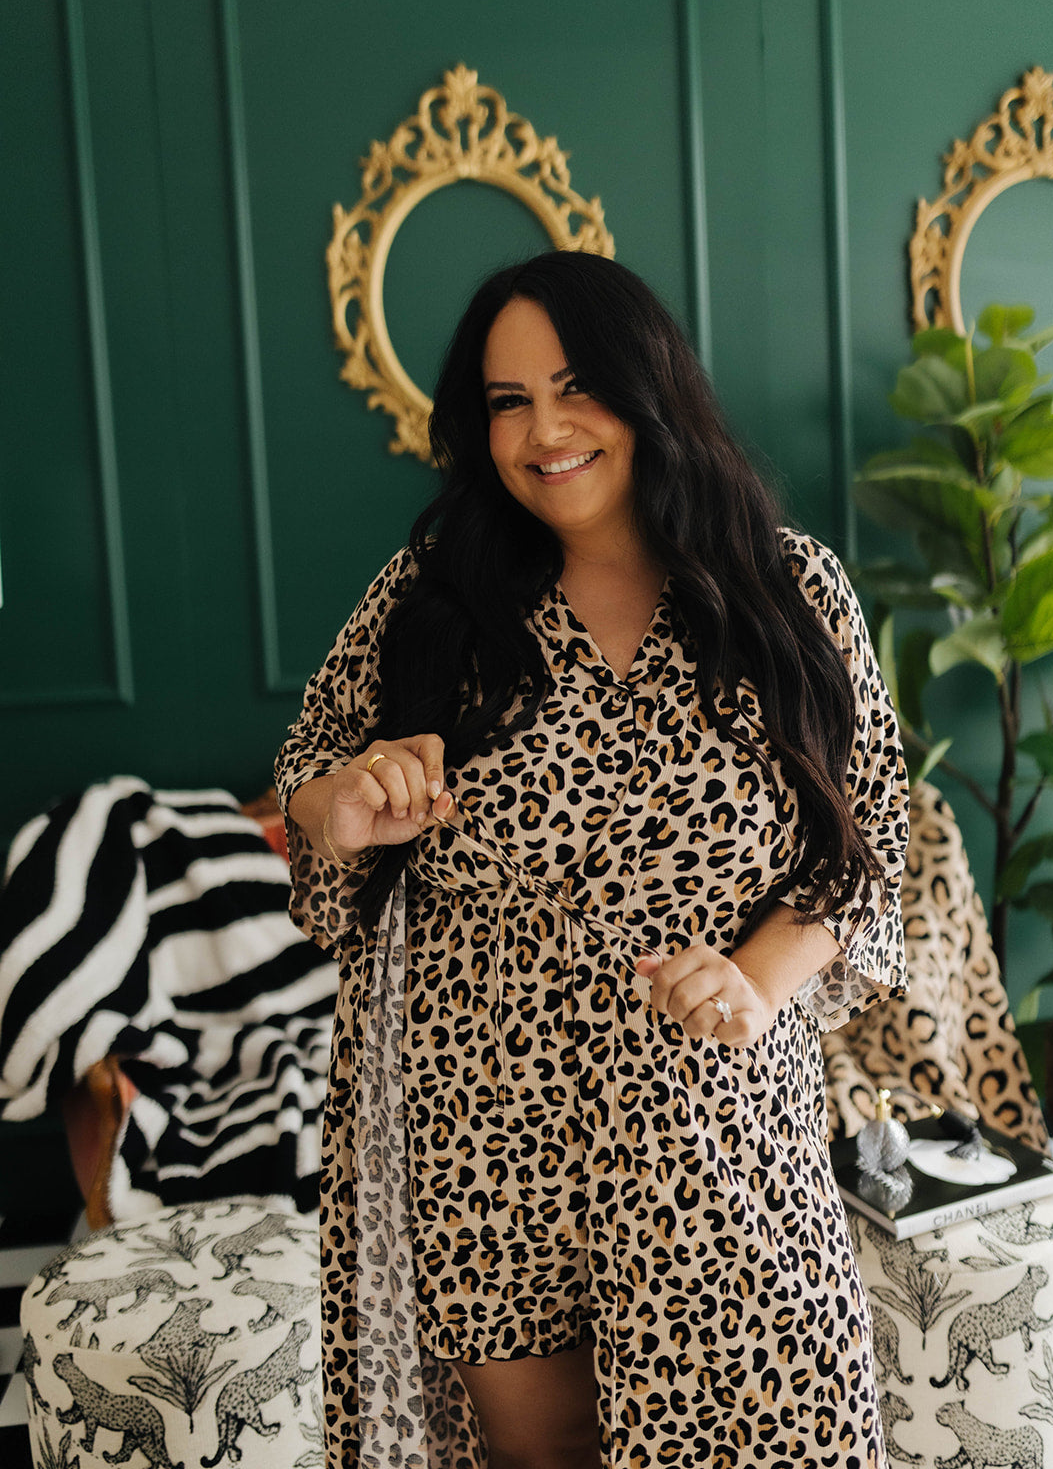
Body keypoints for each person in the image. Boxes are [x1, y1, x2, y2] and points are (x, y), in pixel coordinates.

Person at [275, 251, 908, 1469]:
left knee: (771, 1438)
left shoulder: (787, 591)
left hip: (712, 1116)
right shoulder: (430, 598)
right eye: (508, 401)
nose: (545, 431)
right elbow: (311, 766)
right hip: (482, 1114)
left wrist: (754, 979)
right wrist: (339, 805)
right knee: (544, 1452)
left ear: (649, 387)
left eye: (575, 388)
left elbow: (863, 838)